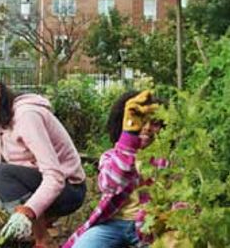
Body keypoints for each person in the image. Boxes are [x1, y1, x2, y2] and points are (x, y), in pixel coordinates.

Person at [0, 64, 86, 248]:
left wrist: (28, 210)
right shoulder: (0, 116)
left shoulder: (27, 116)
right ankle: (33, 226)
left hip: (69, 189)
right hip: (41, 181)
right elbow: (22, 153)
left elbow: (54, 176)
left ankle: (41, 239)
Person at [62, 90, 163, 248]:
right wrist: (130, 136)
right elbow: (110, 185)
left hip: (150, 229)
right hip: (113, 224)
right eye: (140, 121)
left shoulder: (166, 161)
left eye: (154, 123)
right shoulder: (111, 156)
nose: (147, 128)